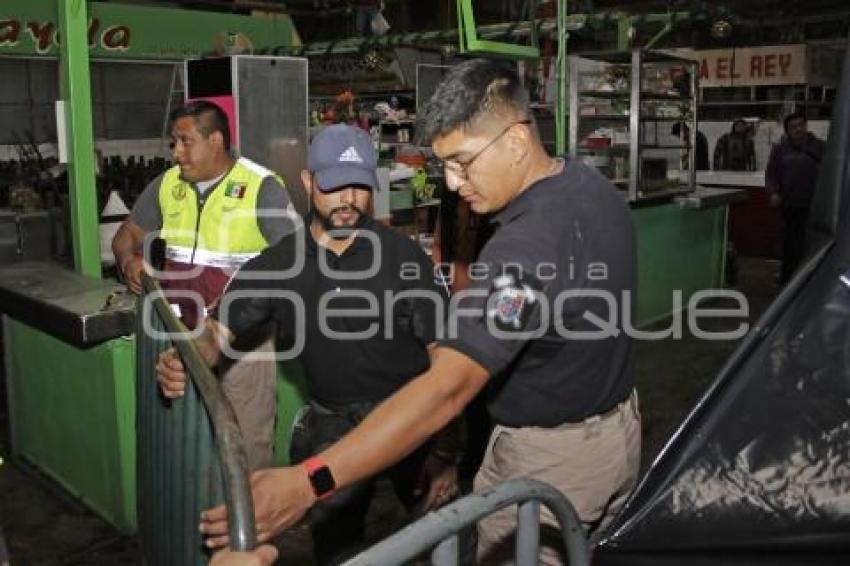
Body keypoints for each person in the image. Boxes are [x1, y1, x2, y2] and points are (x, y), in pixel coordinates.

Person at [187, 59, 641, 564]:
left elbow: (446, 387)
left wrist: (308, 481)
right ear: (308, 181)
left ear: (516, 140)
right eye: (444, 164)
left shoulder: (521, 247)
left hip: (553, 462)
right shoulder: (588, 186)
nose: (451, 183)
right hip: (614, 434)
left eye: (463, 162)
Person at [157, 124, 462, 565]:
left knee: (446, 535)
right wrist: (187, 357)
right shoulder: (280, 264)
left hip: (407, 415)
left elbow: (447, 364)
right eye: (336, 186)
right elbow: (217, 333)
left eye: (360, 187)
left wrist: (447, 454)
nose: (349, 200)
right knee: (336, 547)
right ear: (307, 182)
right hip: (334, 421)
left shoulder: (404, 260)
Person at [112, 100, 294, 471]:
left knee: (246, 449)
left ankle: (253, 525)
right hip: (178, 340)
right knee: (188, 450)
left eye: (184, 141)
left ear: (215, 141)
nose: (176, 152)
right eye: (173, 143)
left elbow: (294, 263)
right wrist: (129, 261)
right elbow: (124, 237)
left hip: (243, 346)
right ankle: (204, 524)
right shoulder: (167, 186)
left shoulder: (261, 188)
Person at [766, 111, 826, 283]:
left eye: (801, 125)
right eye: (793, 127)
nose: (798, 129)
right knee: (789, 244)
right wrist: (774, 192)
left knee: (810, 243)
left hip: (814, 205)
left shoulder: (820, 146)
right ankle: (788, 279)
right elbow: (771, 174)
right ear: (787, 130)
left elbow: (831, 171)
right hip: (789, 204)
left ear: (806, 126)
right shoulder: (780, 150)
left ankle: (810, 280)